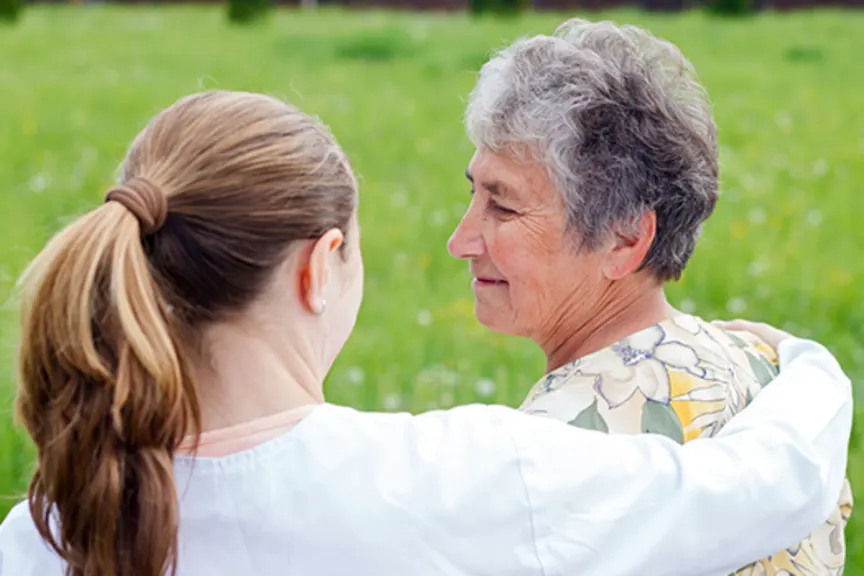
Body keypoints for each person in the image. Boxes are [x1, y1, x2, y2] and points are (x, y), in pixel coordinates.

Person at [0, 90, 853, 576]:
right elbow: (763, 486)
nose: (461, 238)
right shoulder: (463, 483)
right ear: (319, 266)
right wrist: (807, 366)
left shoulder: (43, 533)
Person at [448, 18, 852, 575]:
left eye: (504, 206)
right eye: (473, 193)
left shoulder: (550, 455)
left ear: (626, 238)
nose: (459, 241)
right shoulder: (772, 376)